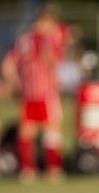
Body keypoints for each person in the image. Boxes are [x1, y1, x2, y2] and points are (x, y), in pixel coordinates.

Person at [1, 2, 68, 182]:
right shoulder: (45, 38)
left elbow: (8, 65)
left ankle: (30, 171)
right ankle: (51, 170)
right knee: (47, 130)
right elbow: (53, 63)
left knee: (30, 131)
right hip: (46, 93)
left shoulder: (24, 38)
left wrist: (15, 82)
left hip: (30, 93)